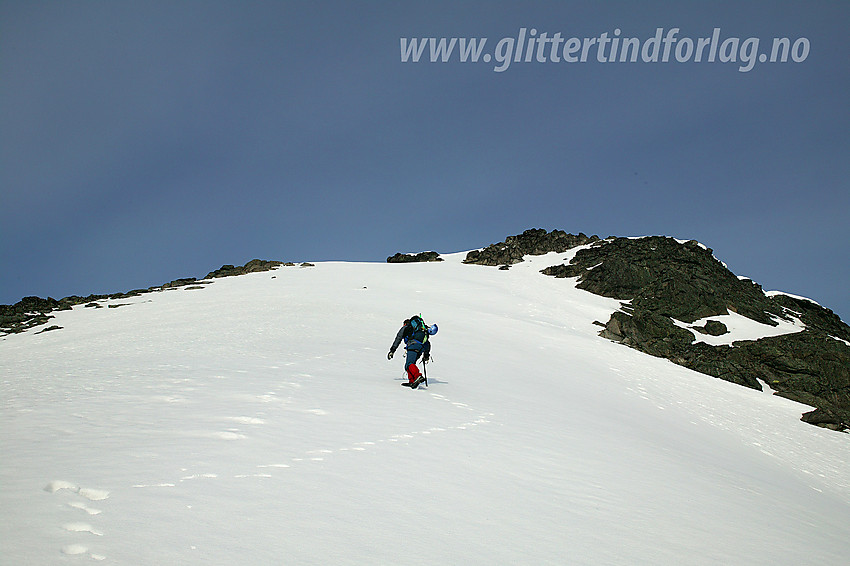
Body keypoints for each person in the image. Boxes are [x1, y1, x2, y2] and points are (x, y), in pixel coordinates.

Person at [387, 315, 437, 388]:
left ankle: (418, 376)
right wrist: (426, 355)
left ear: (405, 323)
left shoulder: (406, 328)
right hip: (421, 348)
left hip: (413, 346)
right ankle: (412, 381)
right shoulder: (421, 331)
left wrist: (392, 350)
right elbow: (427, 343)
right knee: (409, 365)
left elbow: (398, 338)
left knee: (409, 364)